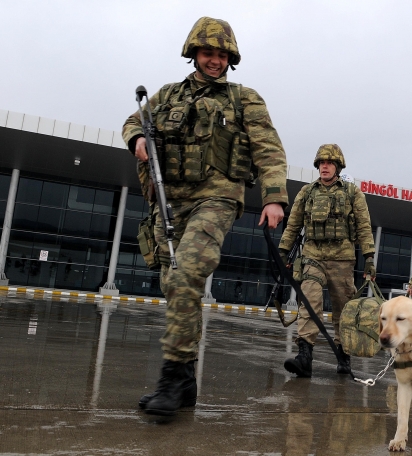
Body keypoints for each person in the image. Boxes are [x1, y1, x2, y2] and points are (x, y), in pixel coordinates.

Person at [122, 17, 288, 415]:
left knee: (186, 273)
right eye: (208, 52)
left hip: (216, 197)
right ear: (193, 52)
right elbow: (134, 121)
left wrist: (274, 198)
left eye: (222, 55)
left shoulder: (243, 98)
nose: (215, 61)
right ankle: (185, 382)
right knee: (178, 287)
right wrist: (138, 139)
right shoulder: (166, 95)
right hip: (170, 202)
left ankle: (170, 377)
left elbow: (269, 149)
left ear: (230, 58)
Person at [279, 144, 376, 378]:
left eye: (329, 163)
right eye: (321, 162)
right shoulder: (306, 192)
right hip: (313, 255)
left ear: (338, 167)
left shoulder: (353, 193)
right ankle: (305, 357)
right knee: (309, 302)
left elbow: (364, 227)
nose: (324, 166)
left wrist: (369, 258)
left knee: (343, 309)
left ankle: (344, 356)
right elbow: (293, 224)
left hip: (342, 258)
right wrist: (283, 251)